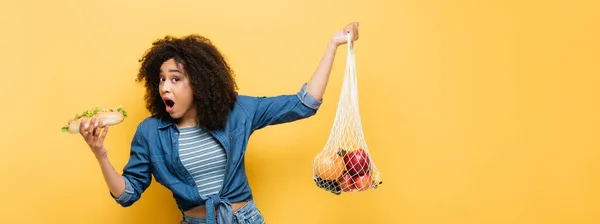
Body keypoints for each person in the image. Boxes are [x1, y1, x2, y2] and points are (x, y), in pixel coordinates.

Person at [78, 22, 360, 224]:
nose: (165, 87)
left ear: (199, 82)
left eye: (175, 78)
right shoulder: (150, 133)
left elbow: (304, 104)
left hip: (244, 219)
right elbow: (128, 194)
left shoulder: (237, 111)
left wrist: (333, 44)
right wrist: (100, 154)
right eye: (161, 78)